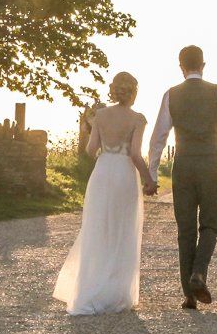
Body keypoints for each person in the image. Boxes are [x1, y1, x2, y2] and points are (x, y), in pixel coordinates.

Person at [147, 45, 217, 309]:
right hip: (212, 163)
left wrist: (152, 173)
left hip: (184, 165)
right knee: (210, 225)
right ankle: (199, 273)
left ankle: (189, 295)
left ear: (181, 67)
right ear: (203, 66)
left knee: (185, 230)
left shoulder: (171, 95)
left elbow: (158, 137)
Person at [53, 71, 157, 315]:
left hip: (102, 172)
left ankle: (90, 288)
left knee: (98, 227)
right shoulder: (138, 119)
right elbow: (135, 154)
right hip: (123, 174)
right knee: (122, 229)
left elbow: (90, 150)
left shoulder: (100, 116)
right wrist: (149, 179)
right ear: (133, 92)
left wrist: (94, 132)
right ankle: (116, 293)